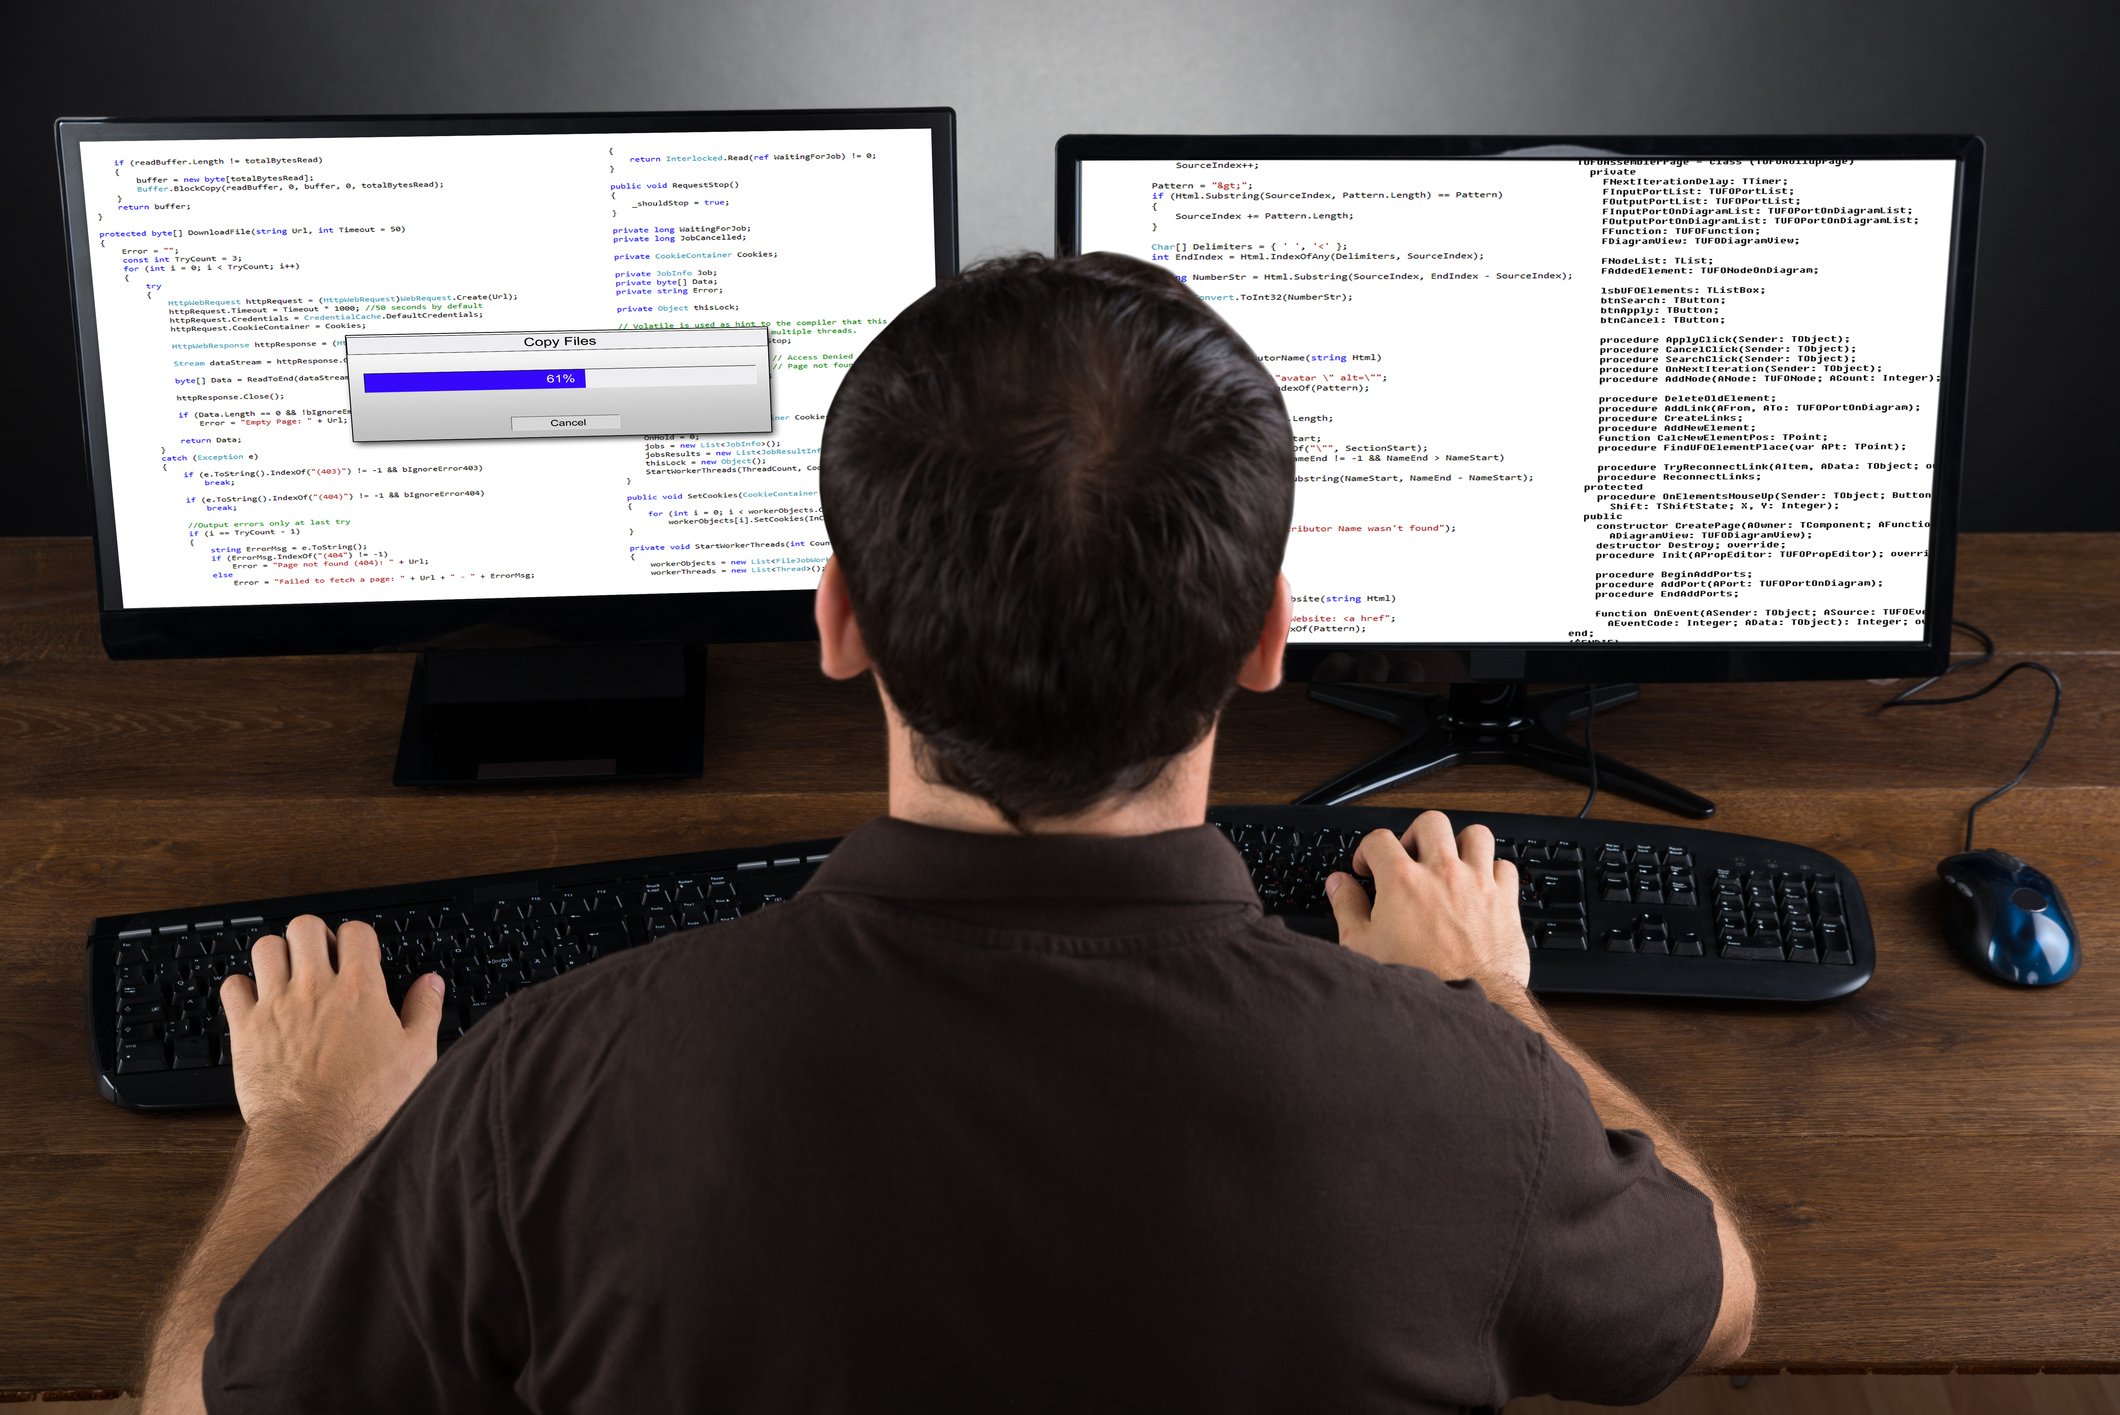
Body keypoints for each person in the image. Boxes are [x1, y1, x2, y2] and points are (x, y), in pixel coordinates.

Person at [142, 252, 1754, 1415]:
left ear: (838, 621)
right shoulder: (1464, 1101)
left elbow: (196, 1408)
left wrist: (306, 1122)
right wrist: (1496, 1001)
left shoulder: (555, 1084)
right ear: (1270, 638)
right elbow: (1719, 1308)